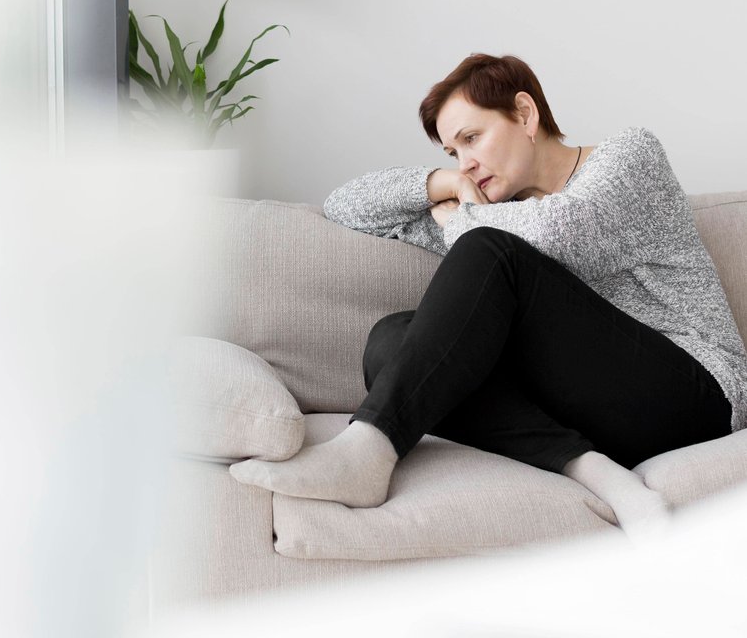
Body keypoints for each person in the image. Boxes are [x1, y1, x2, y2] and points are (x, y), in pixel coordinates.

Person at [228, 53, 747, 542]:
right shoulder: (490, 210)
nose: (468, 163)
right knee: (391, 341)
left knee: (486, 248)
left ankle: (369, 448)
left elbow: (565, 228)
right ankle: (594, 471)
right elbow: (346, 206)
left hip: (697, 395)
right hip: (595, 413)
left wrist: (464, 222)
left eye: (473, 138)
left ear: (524, 113)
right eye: (455, 151)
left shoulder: (629, 159)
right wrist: (441, 182)